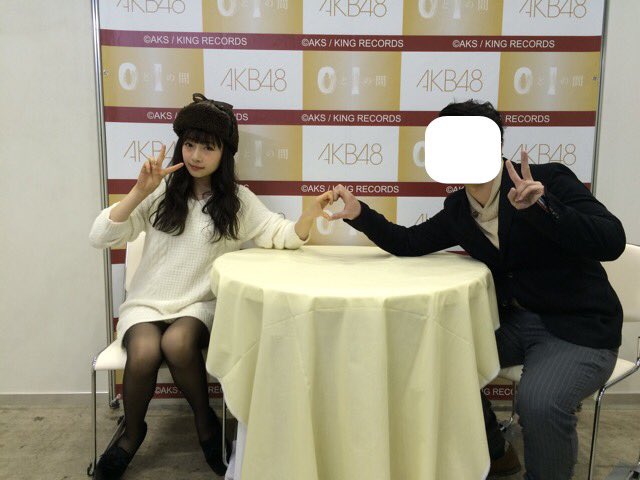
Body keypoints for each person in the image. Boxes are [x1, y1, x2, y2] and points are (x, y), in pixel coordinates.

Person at [329, 100, 625, 479]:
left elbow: (611, 240)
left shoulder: (546, 180)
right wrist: (360, 214)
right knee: (434, 360)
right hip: (515, 323)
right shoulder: (460, 208)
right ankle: (496, 451)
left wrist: (543, 208)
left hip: (579, 326)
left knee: (539, 403)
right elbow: (409, 241)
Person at [89, 93, 334, 479]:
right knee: (144, 351)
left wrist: (307, 217)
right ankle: (132, 434)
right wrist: (138, 191)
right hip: (147, 303)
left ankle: (205, 424)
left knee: (177, 343)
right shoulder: (159, 192)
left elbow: (280, 234)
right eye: (190, 144)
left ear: (225, 153)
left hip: (199, 304)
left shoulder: (237, 201)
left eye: (208, 147)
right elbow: (100, 236)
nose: (196, 155)